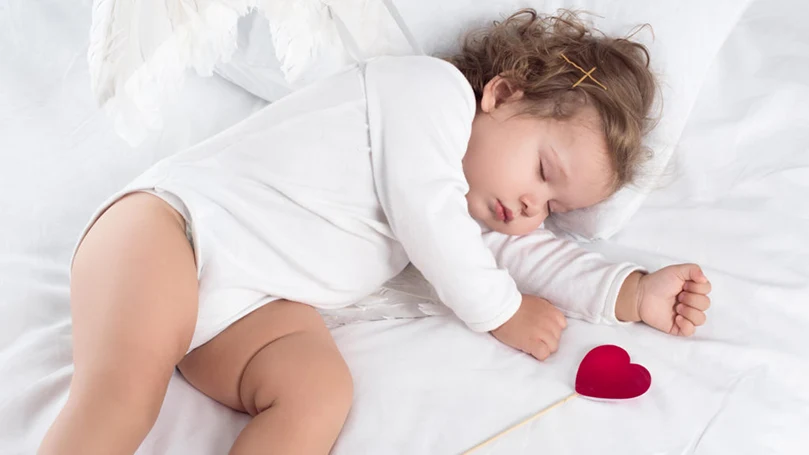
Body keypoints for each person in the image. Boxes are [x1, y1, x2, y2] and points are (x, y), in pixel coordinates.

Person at [40, 9, 711, 455]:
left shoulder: (478, 209)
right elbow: (431, 219)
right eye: (542, 171)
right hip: (171, 232)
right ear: (502, 95)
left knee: (317, 392)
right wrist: (501, 312)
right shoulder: (426, 96)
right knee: (126, 391)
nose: (534, 205)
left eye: (553, 204)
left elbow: (535, 257)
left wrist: (634, 290)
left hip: (247, 309)